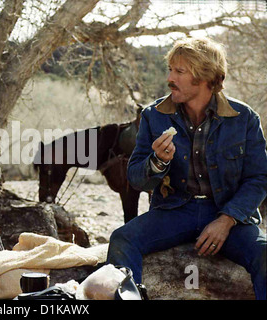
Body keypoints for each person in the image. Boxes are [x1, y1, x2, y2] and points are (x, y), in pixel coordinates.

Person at [106, 36, 267, 300]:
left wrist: (226, 220)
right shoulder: (153, 115)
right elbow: (135, 178)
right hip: (174, 211)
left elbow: (259, 178)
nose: (170, 78)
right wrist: (157, 162)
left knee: (264, 253)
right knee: (122, 239)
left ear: (205, 77)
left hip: (228, 214)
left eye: (179, 71)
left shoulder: (244, 118)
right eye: (170, 69)